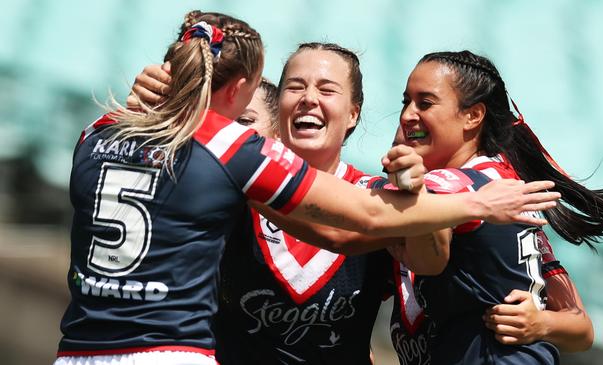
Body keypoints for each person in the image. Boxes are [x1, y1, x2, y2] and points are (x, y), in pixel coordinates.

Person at [56, 11, 559, 365]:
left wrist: (419, 190)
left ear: (355, 113)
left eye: (327, 89)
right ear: (268, 101)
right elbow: (355, 227)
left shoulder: (106, 135)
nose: (308, 99)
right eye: (295, 86)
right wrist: (470, 202)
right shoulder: (234, 169)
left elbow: (428, 262)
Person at [387, 50, 603, 364]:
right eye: (406, 102)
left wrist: (409, 187)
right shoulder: (508, 190)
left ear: (473, 116)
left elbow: (426, 260)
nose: (407, 115)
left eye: (424, 103)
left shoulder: (450, 185)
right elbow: (580, 327)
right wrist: (542, 322)